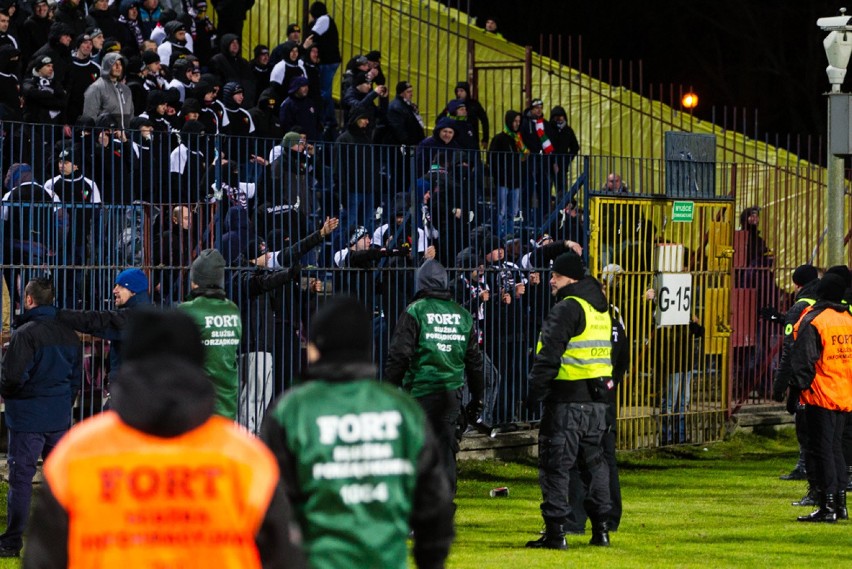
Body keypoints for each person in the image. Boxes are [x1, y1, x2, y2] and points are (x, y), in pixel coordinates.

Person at [23, 308, 307, 567]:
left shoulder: (78, 454)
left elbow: (43, 560)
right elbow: (284, 559)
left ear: (130, 359)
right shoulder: (245, 457)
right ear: (198, 361)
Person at [260, 297, 454, 569]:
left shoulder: (292, 411)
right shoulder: (403, 411)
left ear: (317, 347)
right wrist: (431, 561)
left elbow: (269, 509)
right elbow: (435, 505)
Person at [525, 251, 613, 549]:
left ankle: (555, 534)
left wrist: (534, 394)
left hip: (566, 402)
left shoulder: (568, 307)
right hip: (598, 402)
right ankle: (601, 531)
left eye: (556, 276)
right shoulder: (600, 309)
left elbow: (548, 355)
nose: (551, 280)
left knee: (555, 466)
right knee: (595, 466)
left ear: (571, 279)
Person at [384, 259, 485, 495]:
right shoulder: (462, 315)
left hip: (419, 392)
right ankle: (443, 513)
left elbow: (399, 356)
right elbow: (475, 363)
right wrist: (478, 399)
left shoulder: (416, 311)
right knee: (445, 454)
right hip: (451, 394)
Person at [0, 278, 82, 559]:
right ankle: (65, 538)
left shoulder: (25, 335)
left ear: (29, 299)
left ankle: (11, 543)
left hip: (27, 420)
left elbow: (11, 378)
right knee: (59, 480)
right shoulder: (70, 334)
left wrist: (13, 397)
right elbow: (76, 380)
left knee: (21, 480)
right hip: (59, 418)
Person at [790, 273, 852, 523]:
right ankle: (840, 503)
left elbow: (803, 362)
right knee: (836, 449)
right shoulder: (847, 320)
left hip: (820, 394)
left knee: (822, 450)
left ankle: (827, 506)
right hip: (844, 393)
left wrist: (795, 394)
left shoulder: (816, 320)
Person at [768, 264, 820, 488]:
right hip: (831, 376)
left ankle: (805, 469)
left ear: (797, 283)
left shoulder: (799, 307)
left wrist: (780, 386)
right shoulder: (826, 302)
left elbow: (790, 350)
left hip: (806, 379)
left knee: (805, 425)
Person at [177, 248, 242, 420]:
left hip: (198, 405)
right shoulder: (232, 309)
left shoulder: (188, 310)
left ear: (195, 282)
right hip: (228, 405)